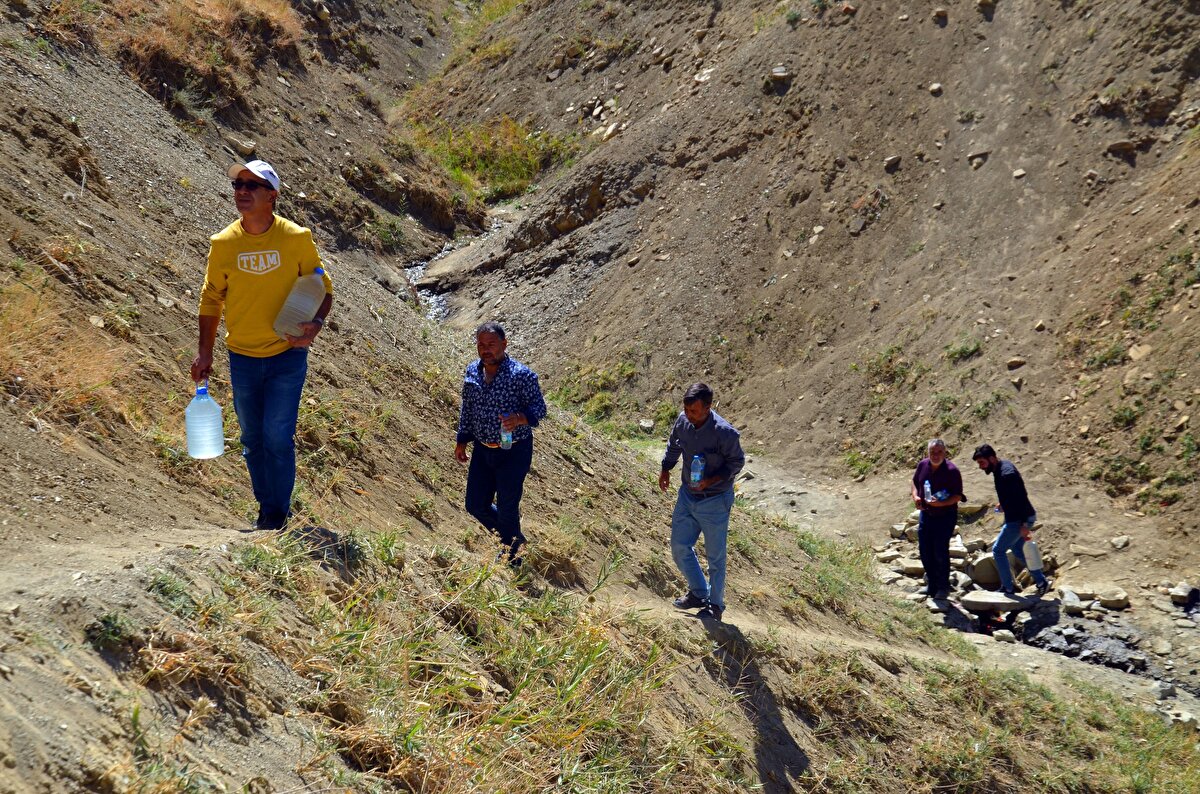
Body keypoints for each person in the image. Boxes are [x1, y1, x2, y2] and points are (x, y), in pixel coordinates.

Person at [191, 159, 333, 531]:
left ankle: (276, 513)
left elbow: (323, 288)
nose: (241, 192)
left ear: (272, 195)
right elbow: (211, 298)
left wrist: (315, 325)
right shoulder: (223, 244)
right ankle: (266, 507)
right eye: (237, 184)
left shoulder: (296, 238)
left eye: (250, 186)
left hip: (287, 354)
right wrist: (205, 351)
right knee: (253, 438)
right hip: (242, 357)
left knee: (276, 435)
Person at [454, 322, 547, 566]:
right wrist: (462, 440)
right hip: (483, 450)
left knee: (507, 506)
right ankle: (515, 541)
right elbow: (468, 408)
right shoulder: (472, 372)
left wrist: (519, 418)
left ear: (504, 345)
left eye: (491, 345)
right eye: (481, 345)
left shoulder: (522, 375)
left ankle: (512, 556)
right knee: (475, 504)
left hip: (514, 451)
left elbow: (539, 409)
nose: (485, 350)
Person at [658, 383, 745, 622]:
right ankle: (698, 593)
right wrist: (666, 468)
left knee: (715, 557)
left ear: (708, 408)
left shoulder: (725, 433)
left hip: (715, 501)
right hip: (687, 496)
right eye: (686, 409)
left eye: (694, 411)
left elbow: (737, 463)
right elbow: (674, 444)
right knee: (679, 547)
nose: (688, 415)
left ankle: (715, 606)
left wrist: (711, 481)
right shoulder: (683, 422)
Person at [972, 444, 1050, 597]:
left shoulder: (1007, 474)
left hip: (1019, 519)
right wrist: (1004, 503)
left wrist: (1024, 525)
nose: (980, 467)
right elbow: (1013, 495)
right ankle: (1041, 582)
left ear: (992, 458)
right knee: (1018, 551)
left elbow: (1021, 497)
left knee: (998, 550)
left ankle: (1008, 588)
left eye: (982, 462)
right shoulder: (999, 468)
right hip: (1017, 517)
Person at [910, 439, 964, 601]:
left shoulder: (952, 471)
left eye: (939, 452)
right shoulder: (922, 465)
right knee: (925, 550)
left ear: (945, 452)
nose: (935, 455)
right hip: (926, 514)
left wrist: (941, 503)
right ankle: (931, 585)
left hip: (945, 516)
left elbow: (957, 496)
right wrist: (916, 496)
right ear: (928, 452)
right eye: (932, 452)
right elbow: (914, 481)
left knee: (940, 550)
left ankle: (943, 587)